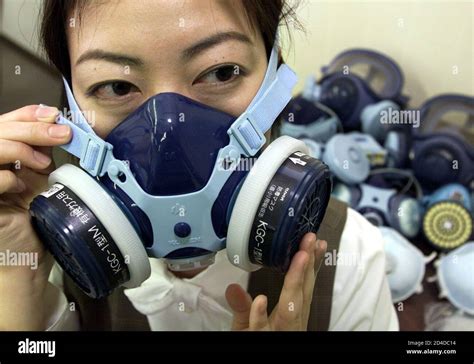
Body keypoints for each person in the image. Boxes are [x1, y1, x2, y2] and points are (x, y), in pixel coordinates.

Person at [0, 0, 398, 331]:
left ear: (275, 78)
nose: (168, 132)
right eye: (117, 86)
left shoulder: (350, 255)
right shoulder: (48, 255)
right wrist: (19, 281)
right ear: (71, 112)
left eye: (221, 72)